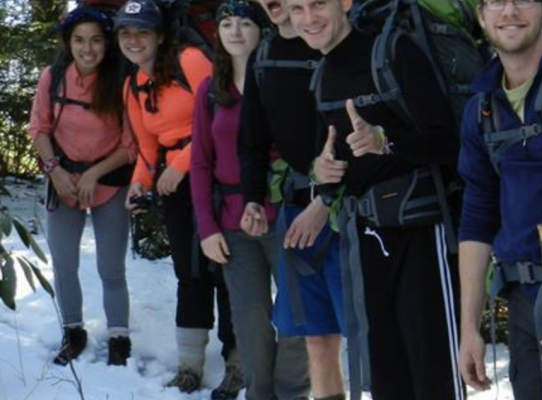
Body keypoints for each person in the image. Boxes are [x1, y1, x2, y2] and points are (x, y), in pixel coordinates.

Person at [288, 0, 463, 397]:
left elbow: (447, 140)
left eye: (318, 5)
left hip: (421, 230)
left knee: (432, 368)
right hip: (365, 232)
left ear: (344, 3)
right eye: (297, 9)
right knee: (385, 371)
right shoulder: (322, 75)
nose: (308, 19)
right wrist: (322, 174)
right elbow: (330, 157)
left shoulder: (394, 52)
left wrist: (386, 141)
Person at [456, 0, 542, 399]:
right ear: (481, 18)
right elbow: (477, 217)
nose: (509, 11)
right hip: (522, 303)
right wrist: (469, 328)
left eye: (523, 0)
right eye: (495, 2)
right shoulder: (481, 107)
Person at [114, 0, 239, 394]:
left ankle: (238, 360)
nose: (133, 41)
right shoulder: (133, 84)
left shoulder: (190, 62)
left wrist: (183, 163)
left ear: (160, 35)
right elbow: (149, 148)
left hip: (217, 173)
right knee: (189, 270)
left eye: (142, 32)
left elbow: (221, 116)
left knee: (226, 266)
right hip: (174, 183)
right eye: (126, 33)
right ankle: (190, 363)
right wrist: (139, 185)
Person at [190, 1, 310, 399]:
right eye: (226, 24)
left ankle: (292, 393)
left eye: (245, 23)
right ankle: (260, 393)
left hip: (288, 217)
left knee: (298, 313)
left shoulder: (279, 74)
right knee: (249, 320)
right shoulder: (211, 89)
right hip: (232, 222)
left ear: (263, 30)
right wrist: (206, 228)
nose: (236, 31)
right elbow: (201, 163)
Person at [237, 0, 346, 397]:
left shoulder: (337, 45)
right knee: (317, 338)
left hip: (348, 209)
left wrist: (325, 200)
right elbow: (252, 138)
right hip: (297, 209)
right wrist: (252, 198)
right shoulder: (263, 56)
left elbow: (354, 132)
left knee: (370, 336)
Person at [29, 6, 135, 367]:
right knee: (63, 263)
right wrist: (56, 171)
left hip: (109, 180)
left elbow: (131, 144)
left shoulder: (120, 80)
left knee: (111, 267)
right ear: (67, 43)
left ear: (107, 43)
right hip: (63, 181)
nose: (88, 49)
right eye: (79, 40)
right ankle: (73, 331)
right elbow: (39, 129)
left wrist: (94, 174)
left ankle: (119, 334)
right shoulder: (53, 76)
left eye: (95, 40)